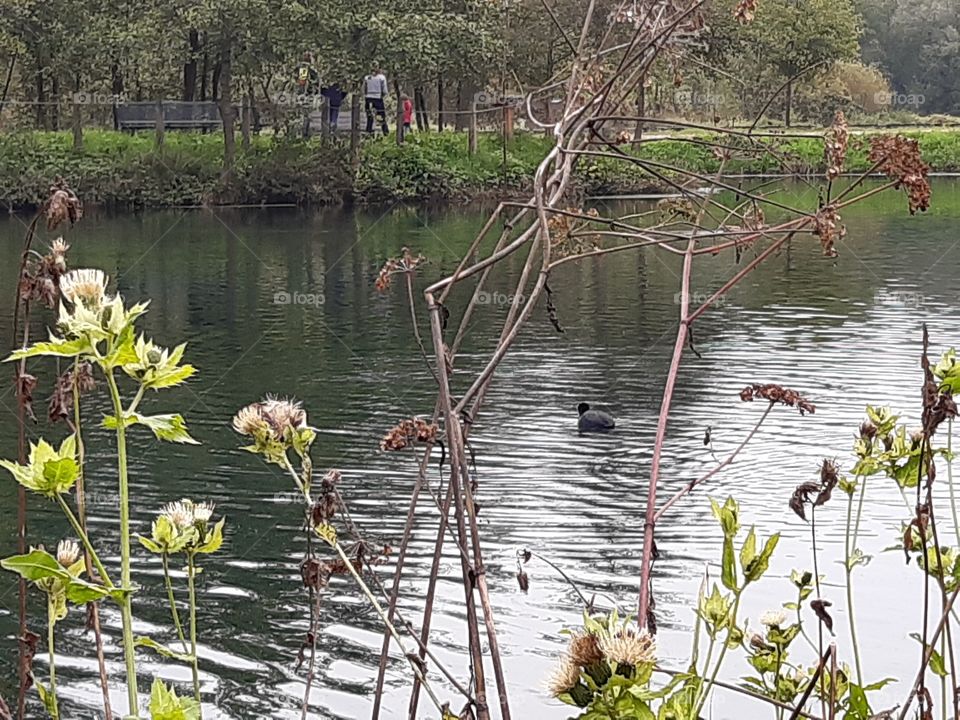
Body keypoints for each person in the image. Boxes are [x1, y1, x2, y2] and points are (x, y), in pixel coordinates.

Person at [364, 68, 389, 136]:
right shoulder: (382, 78)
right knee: (381, 116)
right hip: (378, 98)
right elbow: (384, 89)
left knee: (369, 116)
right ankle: (385, 132)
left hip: (368, 98)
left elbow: (365, 89)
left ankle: (368, 132)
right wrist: (383, 95)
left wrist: (366, 95)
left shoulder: (367, 78)